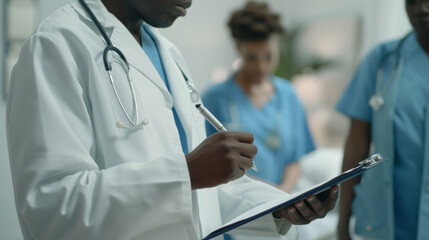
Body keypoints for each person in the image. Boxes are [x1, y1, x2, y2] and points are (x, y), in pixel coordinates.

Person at [6, 0, 338, 239]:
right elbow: (51, 208)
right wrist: (188, 172)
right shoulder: (57, 45)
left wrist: (281, 207)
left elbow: (203, 196)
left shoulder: (169, 55)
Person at [336, 0, 429, 239]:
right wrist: (342, 224)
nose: (420, 9)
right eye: (412, 2)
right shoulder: (381, 60)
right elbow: (356, 147)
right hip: (386, 222)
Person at [203, 1, 315, 194]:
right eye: (252, 58)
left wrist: (281, 196)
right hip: (236, 202)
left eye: (269, 56)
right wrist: (266, 196)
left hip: (283, 202)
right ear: (239, 49)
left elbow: (294, 160)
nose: (261, 67)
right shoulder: (215, 98)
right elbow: (210, 163)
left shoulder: (288, 95)